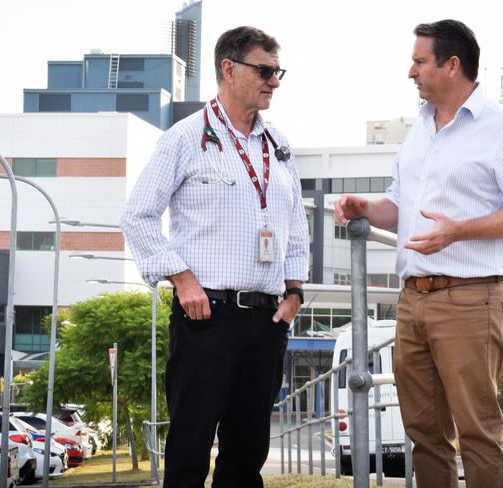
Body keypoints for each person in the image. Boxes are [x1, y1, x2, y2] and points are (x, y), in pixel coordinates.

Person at [335, 19, 503, 488]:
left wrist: (460, 232)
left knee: (477, 433)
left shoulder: (502, 129)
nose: (410, 71)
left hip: (472, 299)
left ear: (452, 65)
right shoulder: (420, 131)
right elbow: (400, 204)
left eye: (419, 61)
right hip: (412, 301)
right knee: (424, 435)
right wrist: (366, 207)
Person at [121, 26, 309, 488]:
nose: (275, 82)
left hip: (267, 322)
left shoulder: (278, 147)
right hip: (207, 317)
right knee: (189, 449)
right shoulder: (185, 138)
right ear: (229, 68)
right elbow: (138, 216)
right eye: (265, 70)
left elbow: (297, 227)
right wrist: (182, 280)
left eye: (277, 71)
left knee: (247, 455)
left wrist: (295, 293)